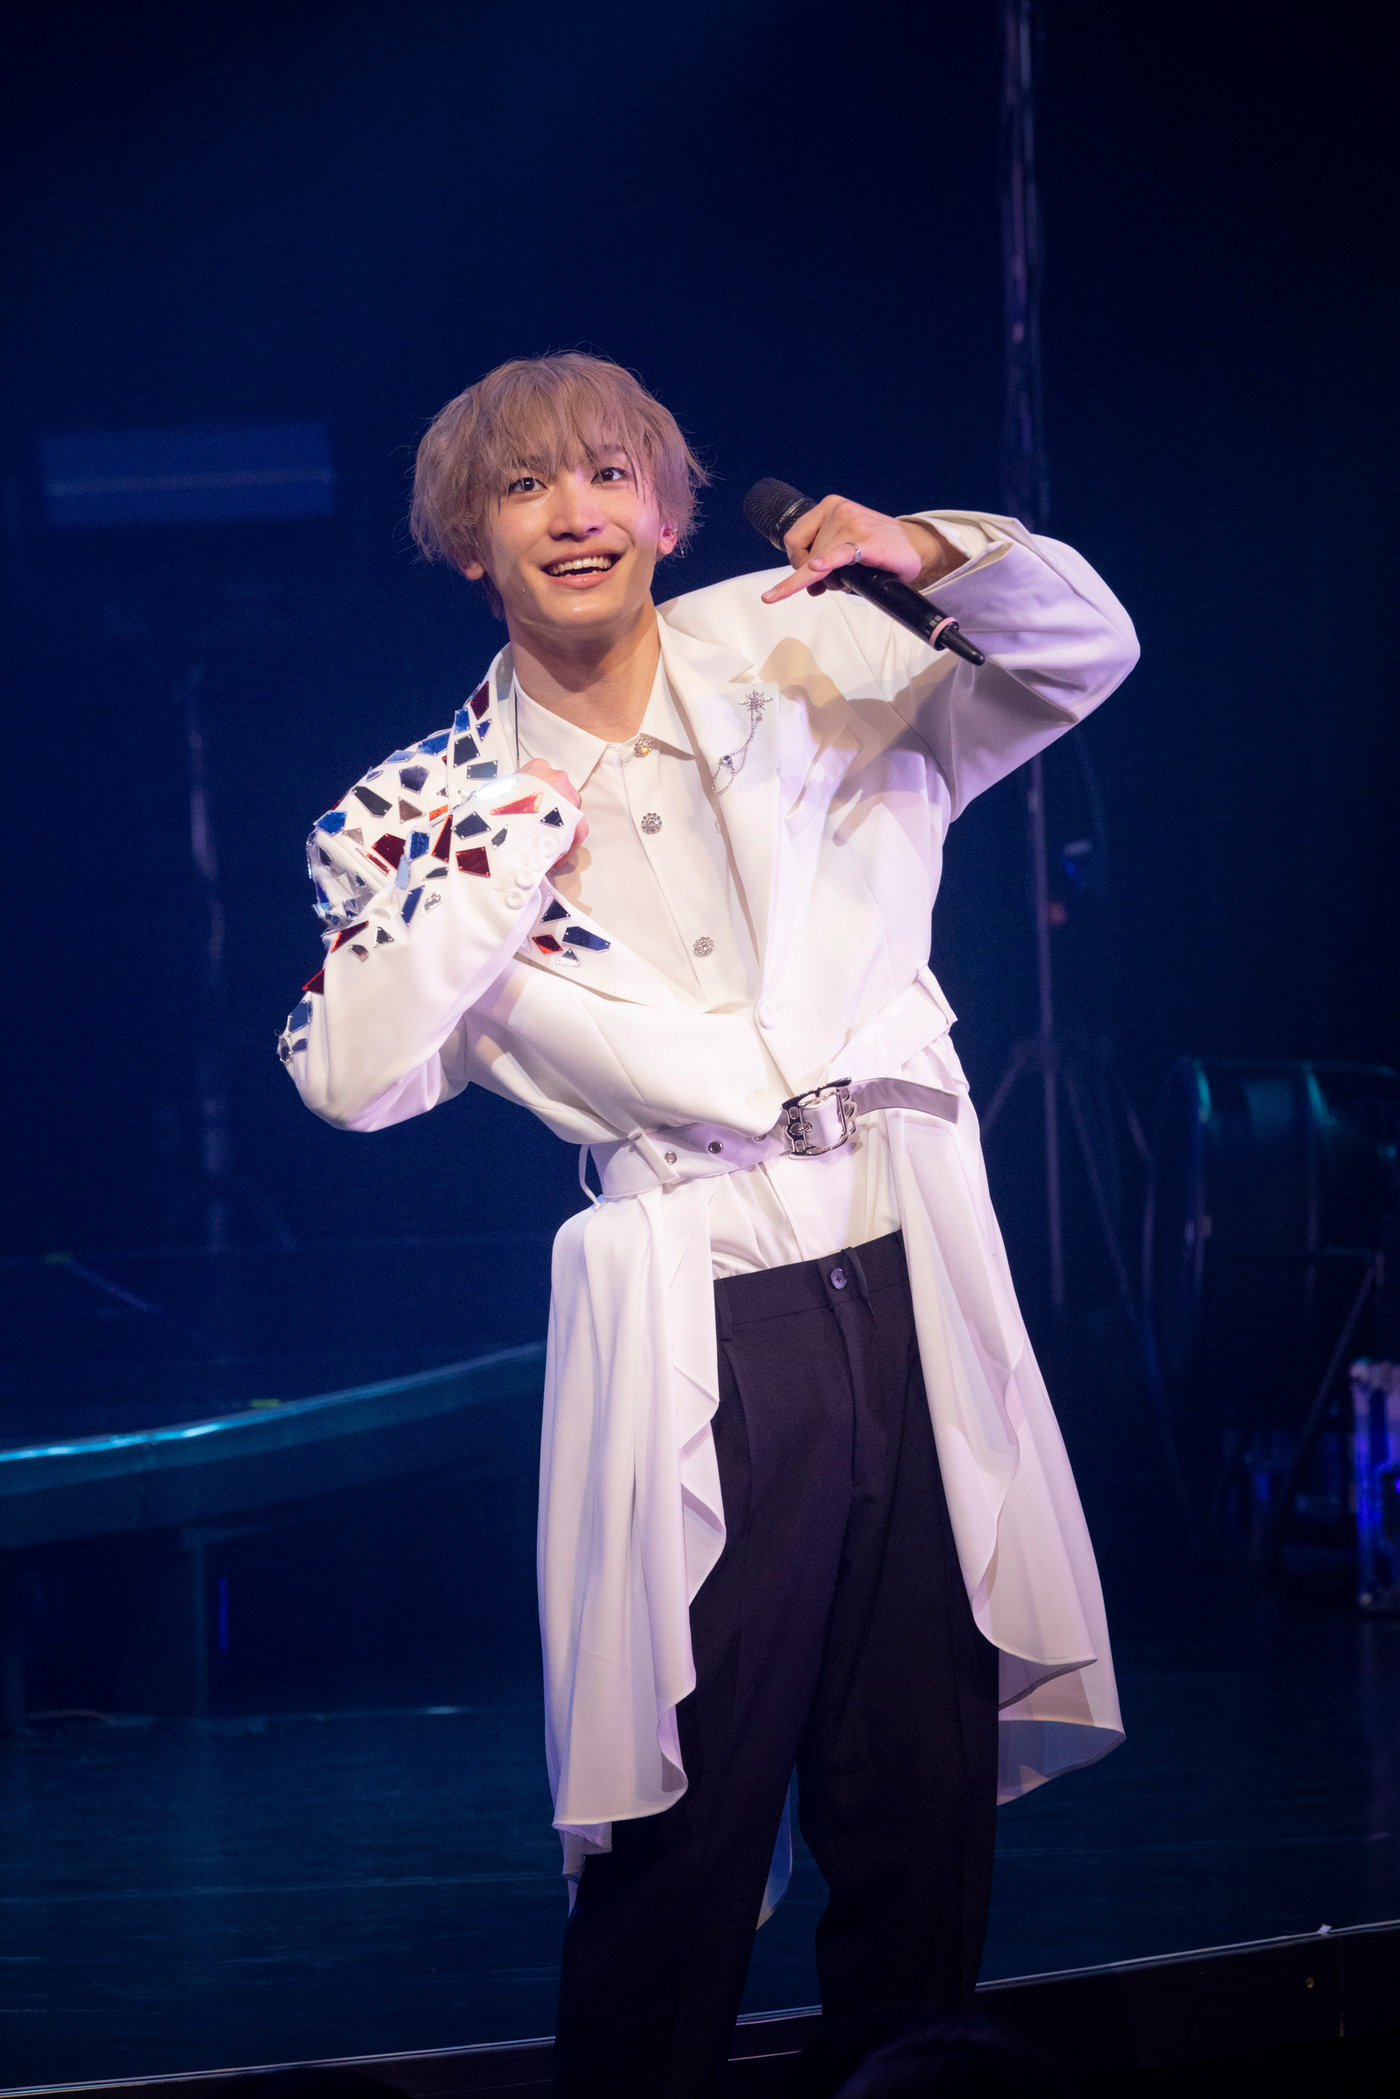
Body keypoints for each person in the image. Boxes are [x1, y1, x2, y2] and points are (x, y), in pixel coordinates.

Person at [280, 353, 1135, 2099]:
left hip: (905, 1245)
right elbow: (352, 1075)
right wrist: (507, 838)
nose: (574, 513)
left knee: (918, 1780)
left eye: (609, 475)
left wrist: (930, 553)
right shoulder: (411, 808)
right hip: (702, 1292)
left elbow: (1084, 653)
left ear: (669, 514)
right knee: (692, 1802)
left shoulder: (808, 645)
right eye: (526, 487)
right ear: (471, 542)